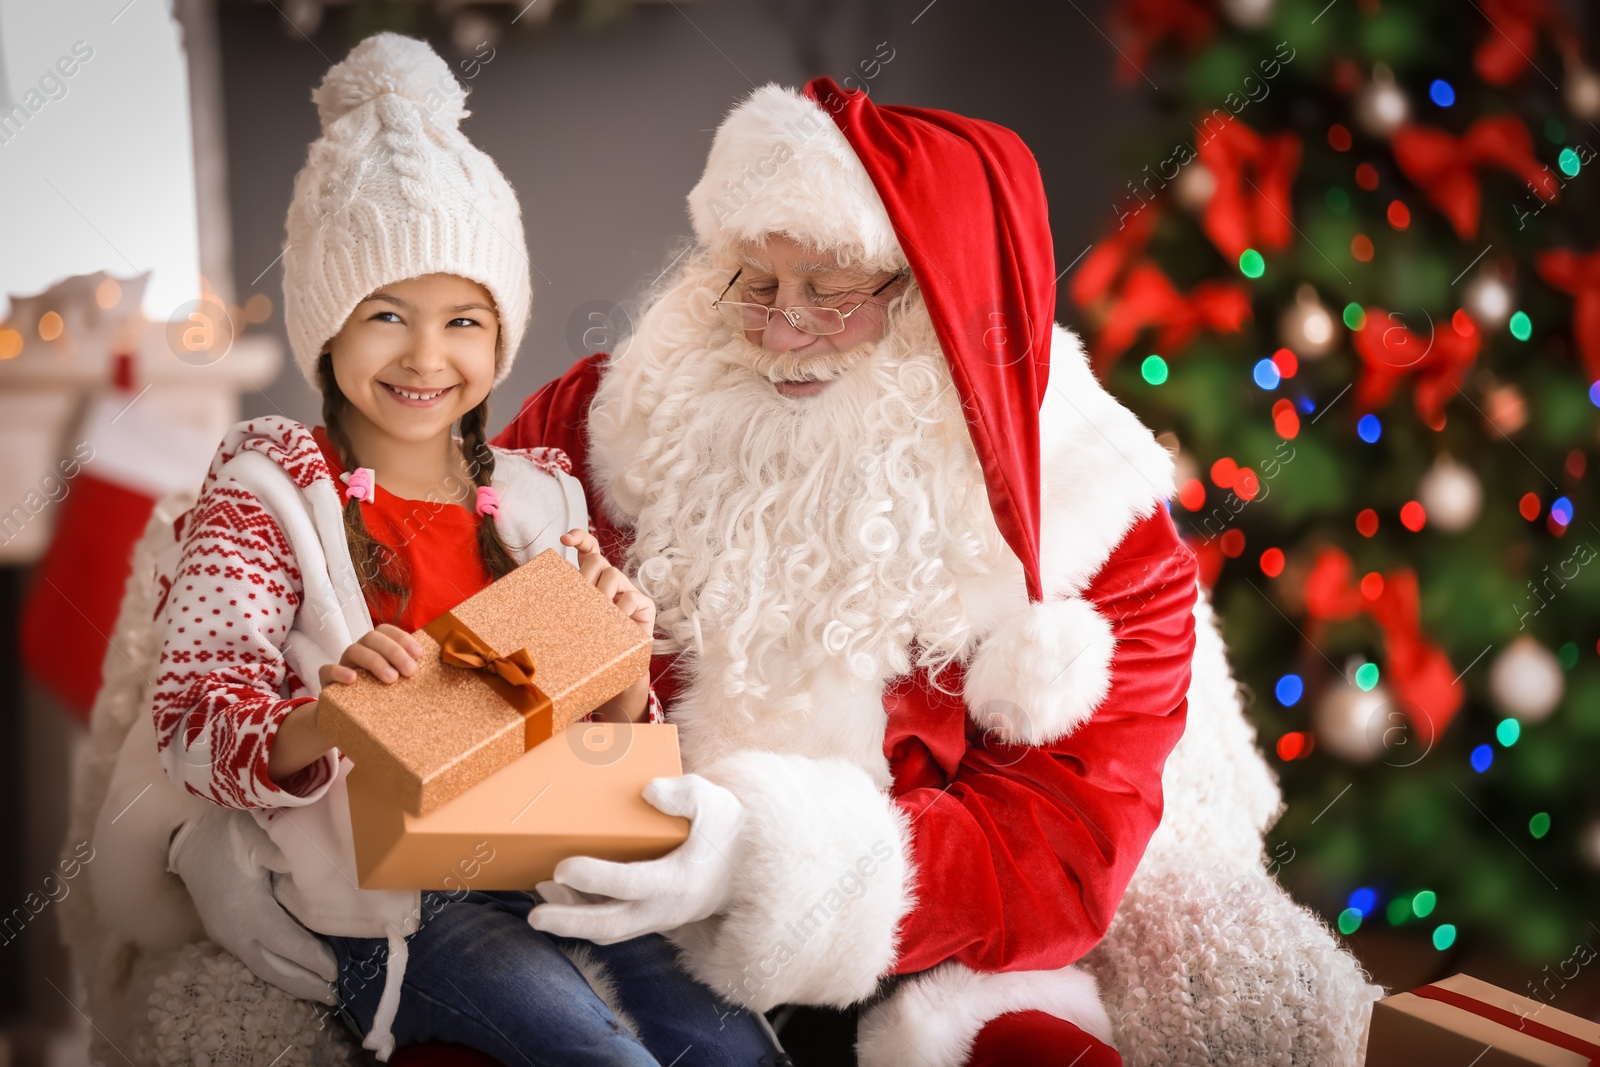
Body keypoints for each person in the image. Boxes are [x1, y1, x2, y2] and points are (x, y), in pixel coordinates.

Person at [494, 79, 1200, 1067]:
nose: (782, 330)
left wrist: (760, 862)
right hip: (602, 933)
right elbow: (436, 628)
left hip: (912, 985)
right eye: (753, 279)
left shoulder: (1097, 526)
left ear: (939, 300)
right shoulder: (602, 423)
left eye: (831, 291)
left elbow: (1057, 854)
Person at [140, 33, 780, 1066]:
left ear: (500, 332)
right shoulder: (266, 488)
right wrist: (327, 716)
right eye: (386, 314)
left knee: (733, 1050)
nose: (427, 356)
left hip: (553, 857)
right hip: (394, 905)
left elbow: (606, 740)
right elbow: (188, 725)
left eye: (465, 321)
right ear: (327, 329)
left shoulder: (536, 495)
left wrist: (618, 665)